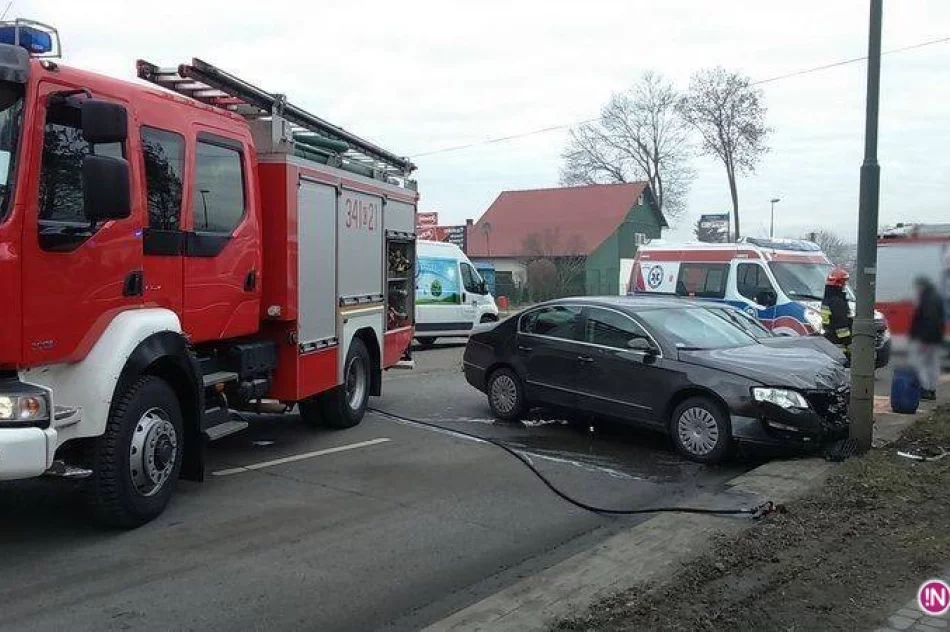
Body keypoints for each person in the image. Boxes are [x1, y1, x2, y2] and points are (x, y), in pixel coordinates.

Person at [909, 276, 946, 400]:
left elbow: (929, 320)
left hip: (927, 338)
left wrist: (925, 339)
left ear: (922, 286)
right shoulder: (936, 297)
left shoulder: (927, 298)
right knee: (933, 364)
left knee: (921, 364)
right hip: (935, 338)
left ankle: (925, 389)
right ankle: (932, 390)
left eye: (918, 287)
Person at [821, 267, 852, 360]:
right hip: (840, 345)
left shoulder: (827, 299)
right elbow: (841, 327)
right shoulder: (837, 301)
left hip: (829, 340)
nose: (844, 285)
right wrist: (849, 343)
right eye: (844, 283)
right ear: (839, 284)